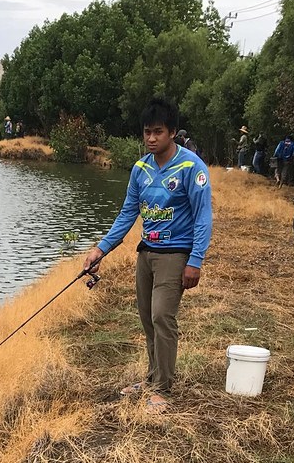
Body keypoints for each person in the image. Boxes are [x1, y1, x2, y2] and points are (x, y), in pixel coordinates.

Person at [81, 97, 213, 412]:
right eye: (146, 132)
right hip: (146, 254)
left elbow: (203, 217)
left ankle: (163, 389)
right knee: (147, 320)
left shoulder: (191, 167)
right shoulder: (140, 169)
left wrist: (195, 261)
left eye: (158, 132)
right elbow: (128, 214)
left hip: (175, 255)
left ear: (172, 133)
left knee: (162, 317)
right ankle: (152, 377)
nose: (151, 139)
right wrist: (101, 249)